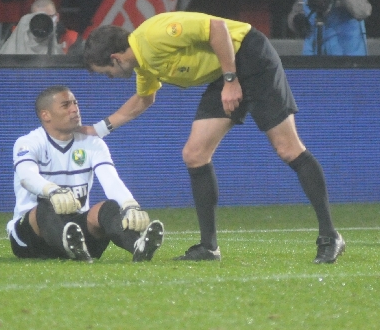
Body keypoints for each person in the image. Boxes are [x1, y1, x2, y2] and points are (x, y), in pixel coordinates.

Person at [80, 13, 345, 264]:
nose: (110, 78)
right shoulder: (144, 65)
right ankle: (209, 247)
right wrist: (99, 129)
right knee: (195, 154)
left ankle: (330, 236)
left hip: (250, 56)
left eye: (106, 72)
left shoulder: (154, 34)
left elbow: (217, 28)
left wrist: (231, 79)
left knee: (288, 149)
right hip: (225, 72)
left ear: (115, 58)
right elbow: (144, 99)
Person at [7, 85, 164, 262]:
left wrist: (129, 204)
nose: (74, 109)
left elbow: (110, 180)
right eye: (65, 105)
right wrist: (52, 190)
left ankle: (138, 246)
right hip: (32, 239)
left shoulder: (92, 143)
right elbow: (27, 176)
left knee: (110, 207)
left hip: (78, 235)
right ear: (46, 115)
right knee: (47, 206)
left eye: (75, 103)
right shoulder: (28, 142)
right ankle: (70, 247)